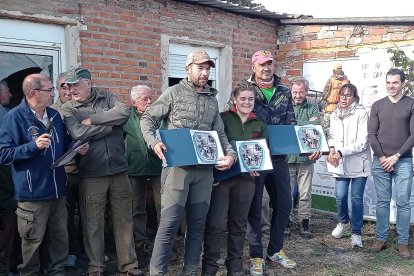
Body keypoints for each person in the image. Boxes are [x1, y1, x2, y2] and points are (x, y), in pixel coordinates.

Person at [140, 49, 237, 276]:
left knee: (196, 226)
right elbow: (148, 118)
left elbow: (220, 135)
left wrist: (230, 155)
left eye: (207, 69)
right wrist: (153, 142)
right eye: (200, 67)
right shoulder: (173, 93)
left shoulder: (212, 101)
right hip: (177, 170)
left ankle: (190, 271)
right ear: (188, 68)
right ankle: (157, 273)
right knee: (169, 225)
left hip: (204, 173)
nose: (204, 73)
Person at [60, 68, 141, 275]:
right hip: (91, 172)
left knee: (124, 219)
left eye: (75, 84)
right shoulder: (69, 108)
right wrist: (110, 124)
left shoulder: (108, 96)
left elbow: (124, 113)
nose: (71, 89)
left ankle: (129, 265)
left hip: (119, 170)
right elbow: (77, 132)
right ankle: (96, 266)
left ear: (88, 82)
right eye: (68, 86)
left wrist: (93, 120)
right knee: (92, 222)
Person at [0, 73, 73, 275]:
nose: (54, 93)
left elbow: (65, 142)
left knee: (60, 236)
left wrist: (77, 147)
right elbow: (4, 154)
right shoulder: (13, 117)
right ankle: (29, 272)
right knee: (32, 241)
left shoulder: (55, 115)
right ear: (33, 93)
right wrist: (33, 146)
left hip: (58, 189)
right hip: (32, 194)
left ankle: (57, 271)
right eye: (49, 90)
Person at [202, 81, 267, 276]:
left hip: (246, 180)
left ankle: (235, 268)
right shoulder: (222, 119)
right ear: (234, 100)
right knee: (215, 223)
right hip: (222, 179)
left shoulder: (259, 124)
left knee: (238, 224)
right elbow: (213, 145)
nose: (247, 102)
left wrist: (258, 167)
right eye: (243, 99)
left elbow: (263, 151)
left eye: (251, 99)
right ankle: (209, 268)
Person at [368, 68, 414, 259]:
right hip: (380, 162)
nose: (391, 86)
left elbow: (413, 134)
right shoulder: (377, 105)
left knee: (403, 203)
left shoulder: (411, 104)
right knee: (382, 202)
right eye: (388, 82)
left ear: (402, 83)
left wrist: (395, 156)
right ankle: (381, 238)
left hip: (403, 161)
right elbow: (372, 134)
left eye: (395, 82)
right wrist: (381, 157)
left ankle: (403, 242)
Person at [327, 83, 371, 248]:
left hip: (359, 163)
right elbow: (331, 135)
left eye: (348, 95)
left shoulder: (361, 113)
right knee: (340, 196)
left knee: (356, 198)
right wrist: (332, 149)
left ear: (355, 97)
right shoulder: (334, 114)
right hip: (340, 163)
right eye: (342, 94)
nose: (344, 98)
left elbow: (363, 142)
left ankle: (356, 233)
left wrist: (340, 151)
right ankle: (344, 222)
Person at [123, 85, 162, 269]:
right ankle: (141, 242)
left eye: (150, 98)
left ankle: (164, 244)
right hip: (135, 168)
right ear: (134, 101)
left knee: (163, 206)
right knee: (136, 207)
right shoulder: (126, 117)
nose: (149, 102)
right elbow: (118, 140)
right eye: (144, 99)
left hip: (158, 166)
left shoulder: (158, 115)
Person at [51, 72, 83, 268]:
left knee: (89, 215)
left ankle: (86, 250)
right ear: (57, 89)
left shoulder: (80, 108)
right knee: (66, 216)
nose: (68, 91)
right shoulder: (52, 111)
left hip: (86, 170)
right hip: (64, 172)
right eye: (63, 87)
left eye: (71, 87)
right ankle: (70, 251)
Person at [286, 77, 321, 238]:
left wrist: (297, 126)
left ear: (306, 92)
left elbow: (315, 128)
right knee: (286, 193)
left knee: (305, 193)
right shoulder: (285, 106)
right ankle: (286, 223)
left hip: (306, 158)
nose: (297, 95)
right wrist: (303, 126)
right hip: (287, 158)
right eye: (294, 92)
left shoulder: (313, 108)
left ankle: (304, 224)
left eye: (301, 92)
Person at [321, 63, 350, 133]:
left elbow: (324, 94)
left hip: (339, 108)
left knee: (330, 129)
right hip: (333, 107)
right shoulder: (344, 80)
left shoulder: (335, 80)